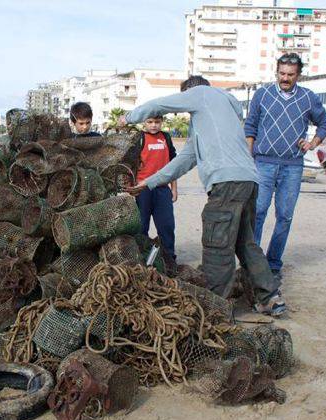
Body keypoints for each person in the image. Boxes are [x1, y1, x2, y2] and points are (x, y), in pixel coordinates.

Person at [119, 76, 284, 316]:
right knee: (244, 242)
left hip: (226, 183)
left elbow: (159, 105)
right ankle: (269, 298)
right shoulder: (208, 119)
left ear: (190, 92)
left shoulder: (203, 93)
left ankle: (215, 307)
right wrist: (149, 183)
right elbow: (186, 159)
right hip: (249, 180)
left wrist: (128, 118)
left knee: (217, 245)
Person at [245, 53, 326, 278]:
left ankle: (273, 263)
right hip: (262, 163)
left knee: (285, 216)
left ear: (298, 75)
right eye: (282, 73)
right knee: (258, 212)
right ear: (277, 72)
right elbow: (250, 126)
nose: (285, 78)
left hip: (293, 166)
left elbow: (325, 122)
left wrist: (313, 143)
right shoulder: (262, 94)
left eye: (290, 75)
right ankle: (252, 263)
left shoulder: (308, 97)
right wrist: (248, 157)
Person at [135, 115, 178, 266]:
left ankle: (169, 259)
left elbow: (174, 166)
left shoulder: (165, 137)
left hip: (162, 190)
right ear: (144, 122)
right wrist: (133, 188)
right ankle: (142, 259)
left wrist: (174, 188)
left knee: (166, 225)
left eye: (157, 122)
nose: (153, 125)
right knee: (141, 227)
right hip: (143, 191)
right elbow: (130, 166)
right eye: (150, 122)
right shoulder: (138, 139)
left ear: (162, 122)